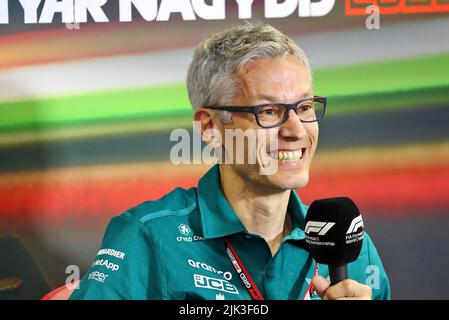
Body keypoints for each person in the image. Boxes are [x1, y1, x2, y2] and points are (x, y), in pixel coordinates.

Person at [69, 22, 390, 300]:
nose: (296, 130)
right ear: (210, 128)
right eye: (269, 112)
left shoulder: (347, 241)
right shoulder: (148, 238)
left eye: (304, 107)